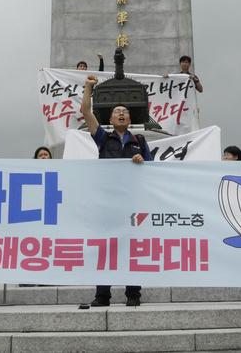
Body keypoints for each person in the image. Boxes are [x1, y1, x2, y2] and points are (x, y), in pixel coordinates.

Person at [81, 75, 151, 307]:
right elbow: (86, 111)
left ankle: (133, 294)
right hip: (108, 203)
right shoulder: (103, 138)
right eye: (116, 111)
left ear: (130, 119)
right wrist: (89, 88)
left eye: (125, 111)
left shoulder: (140, 141)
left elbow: (153, 171)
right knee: (106, 247)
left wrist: (142, 162)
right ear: (110, 119)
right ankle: (103, 295)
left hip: (132, 203)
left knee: (132, 247)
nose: (121, 113)